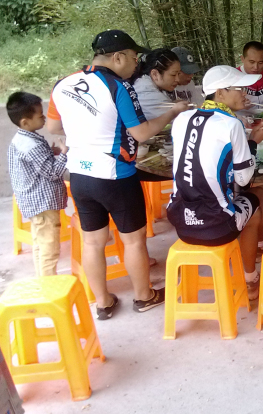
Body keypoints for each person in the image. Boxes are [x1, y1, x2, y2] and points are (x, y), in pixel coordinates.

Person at [46, 29, 189, 319]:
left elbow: (53, 127)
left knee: (92, 241)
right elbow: (141, 133)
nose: (136, 64)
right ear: (118, 57)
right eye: (135, 58)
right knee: (133, 240)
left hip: (80, 174)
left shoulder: (63, 83)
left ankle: (103, 302)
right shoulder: (119, 87)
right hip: (115, 175)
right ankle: (144, 296)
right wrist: (171, 113)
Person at [166, 65, 263, 301]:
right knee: (255, 199)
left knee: (246, 196)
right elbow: (244, 179)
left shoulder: (181, 119)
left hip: (180, 221)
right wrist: (252, 143)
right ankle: (250, 278)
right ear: (221, 93)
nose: (246, 93)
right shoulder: (231, 124)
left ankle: (260, 247)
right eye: (240, 89)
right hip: (216, 225)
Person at [7, 92, 68, 277]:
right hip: (44, 205)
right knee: (49, 249)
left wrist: (51, 152)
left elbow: (37, 164)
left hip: (33, 203)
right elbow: (53, 173)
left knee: (40, 244)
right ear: (25, 122)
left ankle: (42, 280)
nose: (44, 118)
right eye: (40, 115)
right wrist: (64, 153)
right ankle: (49, 284)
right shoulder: (32, 145)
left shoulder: (22, 139)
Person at [132, 48, 183, 120]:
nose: (177, 79)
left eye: (179, 74)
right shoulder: (147, 93)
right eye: (173, 75)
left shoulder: (147, 85)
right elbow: (179, 120)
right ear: (155, 74)